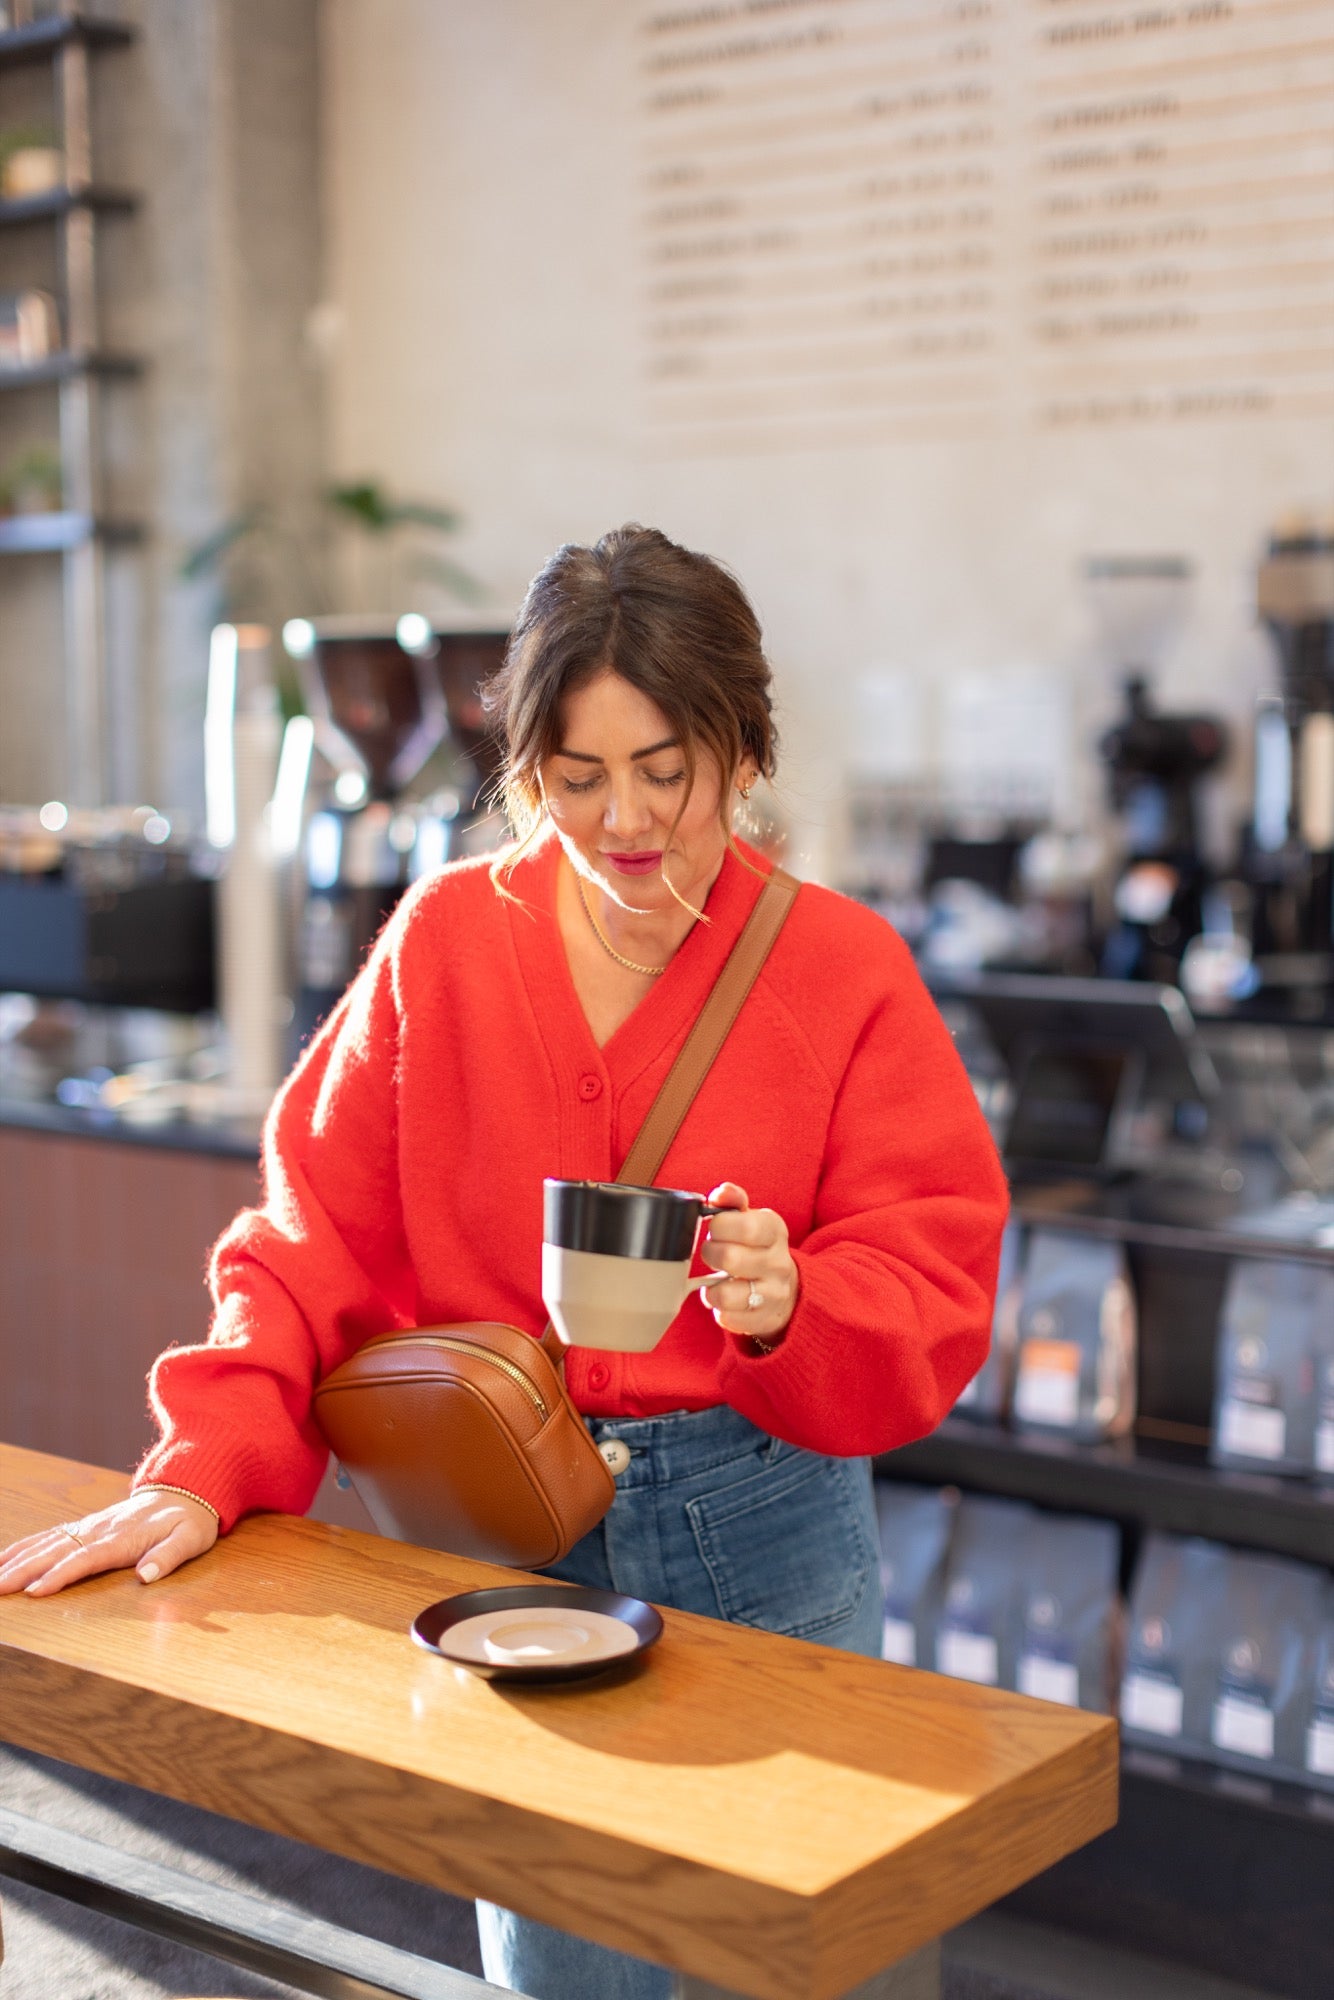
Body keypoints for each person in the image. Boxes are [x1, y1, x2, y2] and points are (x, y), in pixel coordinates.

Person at [0, 524, 1008, 1998]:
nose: (624, 823)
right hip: (515, 1534)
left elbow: (936, 1265)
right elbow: (308, 1232)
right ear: (520, 767)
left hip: (768, 1531)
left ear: (744, 750)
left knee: (789, 1968)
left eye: (666, 770)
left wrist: (799, 1295)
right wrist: (202, 1457)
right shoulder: (447, 943)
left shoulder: (840, 970)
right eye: (574, 778)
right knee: (564, 1969)